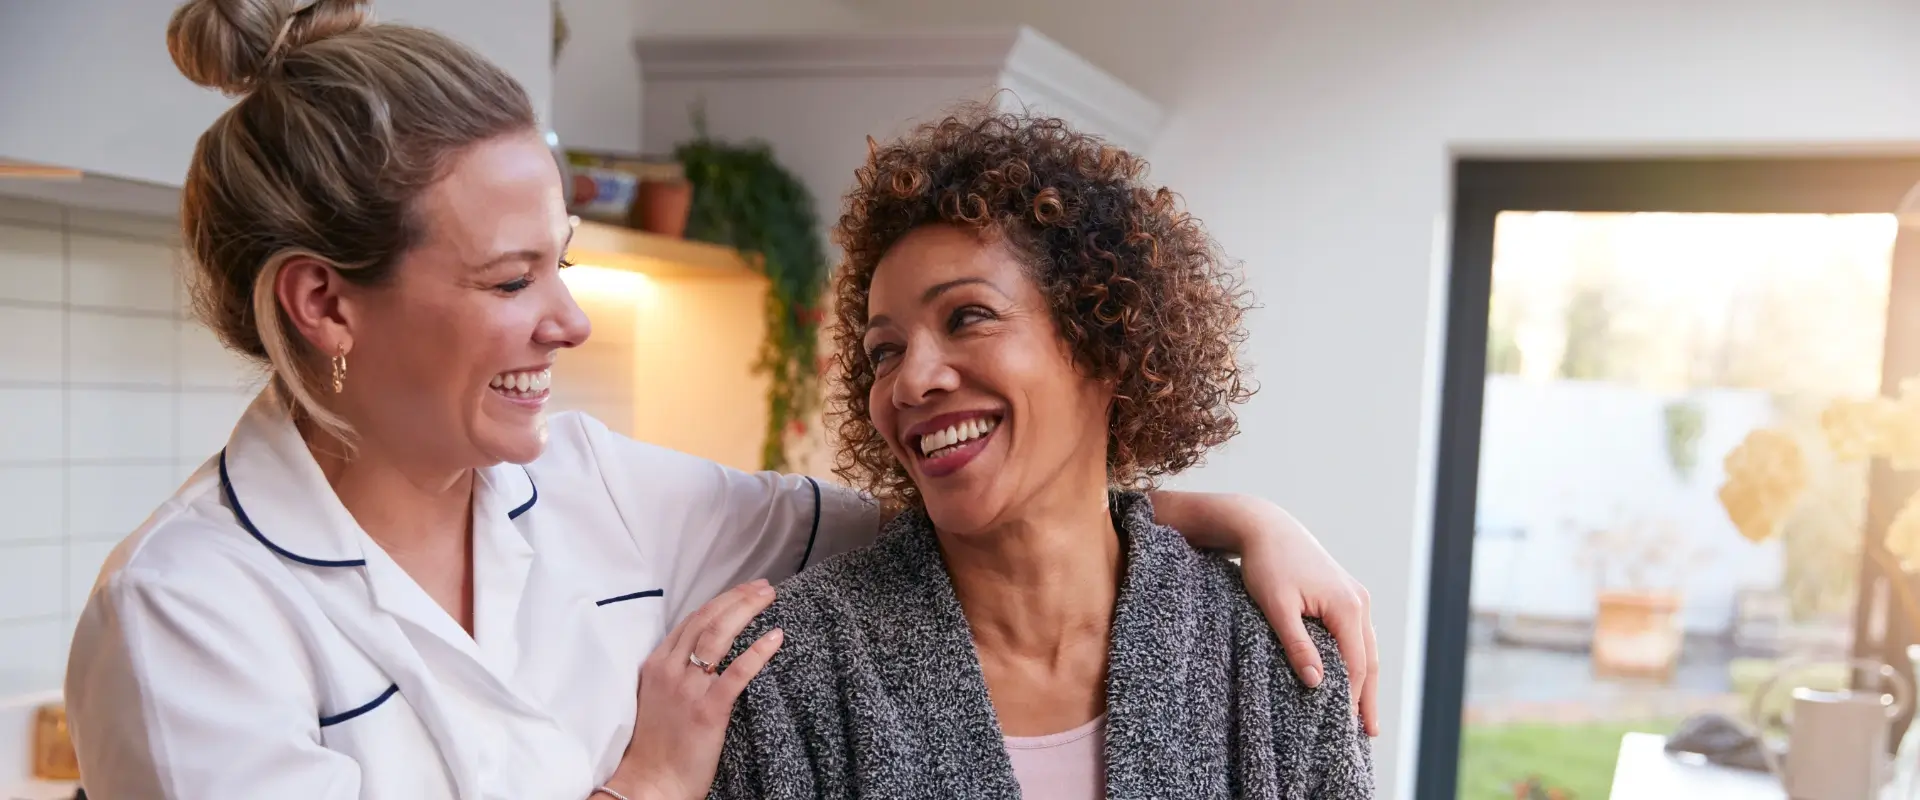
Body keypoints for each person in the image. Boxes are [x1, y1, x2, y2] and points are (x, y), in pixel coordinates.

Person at [62, 3, 1377, 799]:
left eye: (561, 268)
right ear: (326, 304)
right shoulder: (190, 616)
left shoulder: (596, 494)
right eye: (513, 278)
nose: (569, 322)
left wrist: (1216, 517)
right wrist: (646, 783)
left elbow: (941, 518)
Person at [709, 108, 1376, 799]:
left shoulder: (1276, 663)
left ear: (1104, 346)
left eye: (967, 316)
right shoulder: (785, 674)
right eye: (885, 351)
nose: (910, 380)